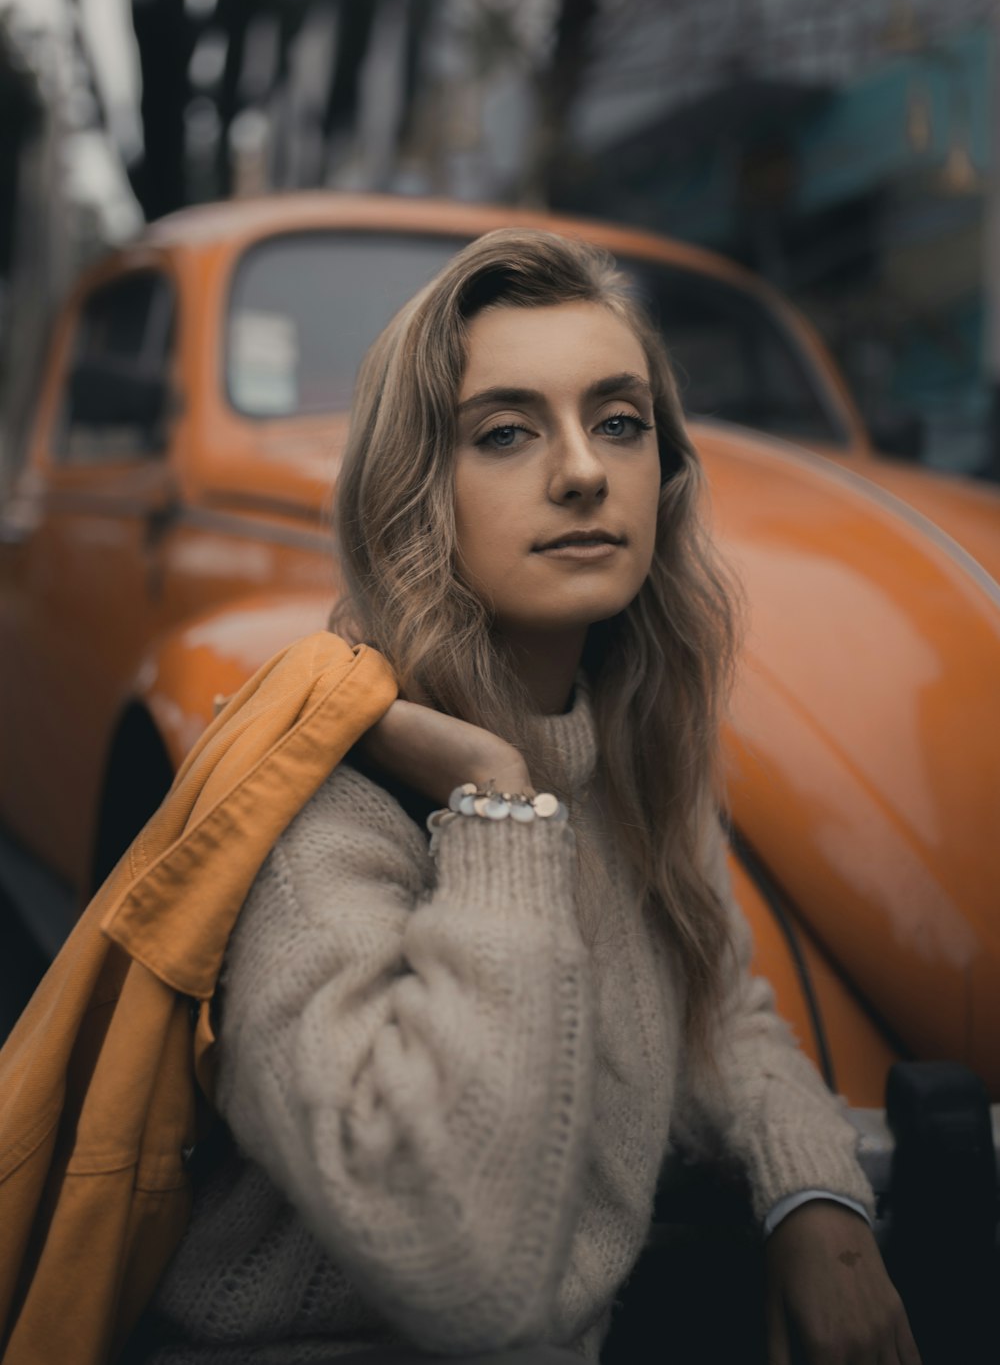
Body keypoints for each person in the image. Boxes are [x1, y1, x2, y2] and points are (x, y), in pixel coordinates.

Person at [132, 230, 921, 1365]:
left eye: (618, 421)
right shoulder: (318, 812)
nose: (585, 470)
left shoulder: (631, 746)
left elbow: (718, 1010)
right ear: (417, 494)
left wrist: (815, 1201)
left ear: (666, 470)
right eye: (506, 432)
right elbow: (466, 1271)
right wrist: (496, 804)